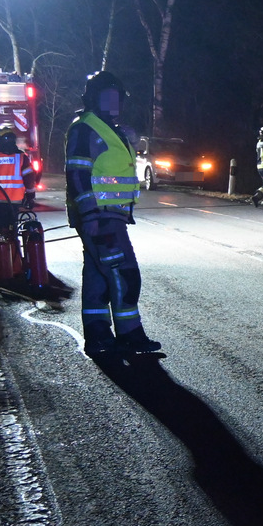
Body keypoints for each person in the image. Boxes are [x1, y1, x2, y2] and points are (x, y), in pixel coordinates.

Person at [66, 71, 162, 359]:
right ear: (94, 98)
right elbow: (77, 175)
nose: (114, 102)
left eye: (116, 97)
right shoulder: (86, 129)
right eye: (107, 96)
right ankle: (130, 335)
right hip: (101, 217)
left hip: (107, 216)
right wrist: (90, 215)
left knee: (98, 274)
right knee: (125, 274)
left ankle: (98, 336)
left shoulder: (105, 128)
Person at [0, 122, 36, 238]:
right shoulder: (21, 157)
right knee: (11, 233)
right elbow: (29, 179)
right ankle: (12, 255)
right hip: (14, 202)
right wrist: (31, 196)